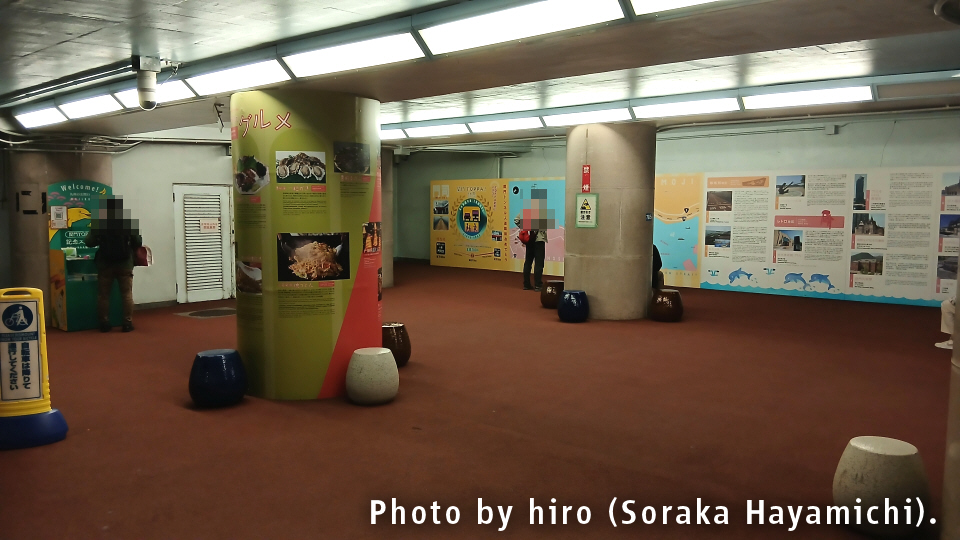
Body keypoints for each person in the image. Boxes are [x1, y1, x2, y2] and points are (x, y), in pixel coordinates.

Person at [84, 195, 142, 333]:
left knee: (103, 295)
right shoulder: (127, 222)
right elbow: (138, 242)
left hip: (105, 264)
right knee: (126, 294)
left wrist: (100, 240)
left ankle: (104, 323)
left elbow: (88, 242)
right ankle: (127, 323)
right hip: (125, 264)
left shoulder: (99, 223)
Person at [514, 189, 549, 291]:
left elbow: (516, 220)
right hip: (539, 240)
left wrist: (526, 226)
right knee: (539, 263)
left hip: (529, 240)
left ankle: (526, 284)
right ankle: (538, 285)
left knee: (528, 262)